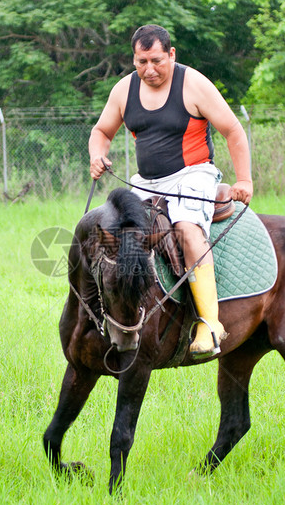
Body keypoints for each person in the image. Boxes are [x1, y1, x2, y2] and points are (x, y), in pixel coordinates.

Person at [88, 24, 253, 358]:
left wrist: (244, 180)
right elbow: (101, 130)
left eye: (157, 60)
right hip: (145, 181)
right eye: (141, 61)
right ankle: (118, 314)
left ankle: (210, 324)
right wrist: (96, 154)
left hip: (193, 175)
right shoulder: (124, 90)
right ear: (133, 59)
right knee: (116, 231)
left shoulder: (193, 84)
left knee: (187, 231)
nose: (149, 69)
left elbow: (233, 130)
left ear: (171, 54)